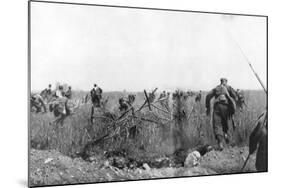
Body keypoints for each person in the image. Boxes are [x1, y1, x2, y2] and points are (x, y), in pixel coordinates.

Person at [205, 78, 237, 150]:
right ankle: (225, 134)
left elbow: (208, 96)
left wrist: (208, 107)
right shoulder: (229, 88)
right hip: (226, 108)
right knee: (225, 122)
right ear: (226, 82)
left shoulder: (217, 88)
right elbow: (235, 96)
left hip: (217, 107)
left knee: (217, 124)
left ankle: (220, 143)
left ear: (220, 82)